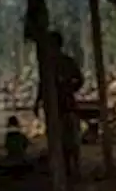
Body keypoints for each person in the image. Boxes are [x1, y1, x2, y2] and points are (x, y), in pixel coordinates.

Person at [33, 32, 84, 179]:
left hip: (66, 106)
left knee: (71, 139)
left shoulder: (66, 62)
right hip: (55, 108)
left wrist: (68, 87)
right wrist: (37, 102)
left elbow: (79, 80)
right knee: (60, 140)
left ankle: (74, 168)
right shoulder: (47, 64)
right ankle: (67, 168)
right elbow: (42, 85)